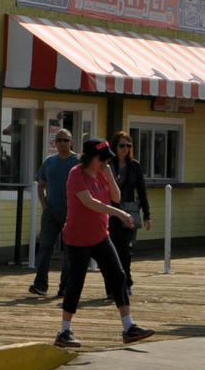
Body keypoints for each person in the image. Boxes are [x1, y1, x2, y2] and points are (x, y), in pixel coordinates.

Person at [54, 138, 154, 348]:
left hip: (100, 235)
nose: (105, 162)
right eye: (102, 158)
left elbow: (116, 197)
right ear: (91, 157)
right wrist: (119, 214)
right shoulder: (76, 175)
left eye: (108, 159)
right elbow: (90, 203)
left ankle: (128, 326)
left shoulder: (102, 173)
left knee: (118, 276)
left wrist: (109, 175)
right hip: (78, 238)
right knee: (76, 282)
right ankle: (64, 331)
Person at [28, 129, 79, 297]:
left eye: (66, 140)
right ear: (54, 143)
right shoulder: (49, 161)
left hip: (71, 213)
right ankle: (40, 284)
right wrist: (44, 204)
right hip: (51, 212)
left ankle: (64, 287)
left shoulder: (77, 162)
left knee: (69, 252)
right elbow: (41, 184)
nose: (62, 143)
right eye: (59, 140)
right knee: (45, 248)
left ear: (71, 142)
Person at [108, 131, 151, 297]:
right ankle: (111, 287)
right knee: (111, 250)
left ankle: (127, 282)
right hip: (111, 211)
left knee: (125, 249)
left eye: (128, 145)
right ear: (115, 147)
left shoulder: (135, 166)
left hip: (128, 211)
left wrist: (147, 215)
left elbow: (141, 191)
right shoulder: (108, 164)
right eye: (121, 145)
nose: (125, 149)